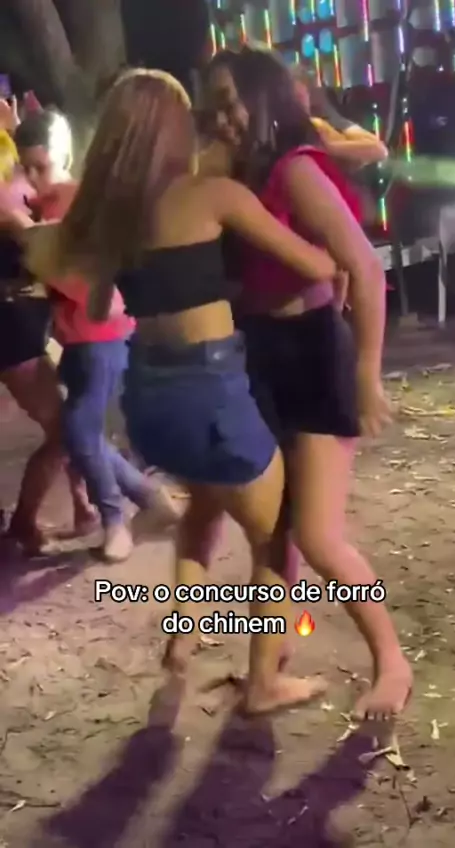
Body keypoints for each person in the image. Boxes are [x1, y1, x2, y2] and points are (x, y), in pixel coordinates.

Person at [29, 69, 343, 714]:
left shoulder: (112, 222)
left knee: (204, 508)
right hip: (212, 391)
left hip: (148, 399)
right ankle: (264, 683)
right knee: (275, 537)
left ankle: (183, 637)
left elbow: (79, 285)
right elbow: (318, 264)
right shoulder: (214, 196)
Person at [203, 45, 412, 721]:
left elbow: (364, 268)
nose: (222, 118)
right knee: (272, 531)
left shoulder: (295, 169)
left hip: (313, 356)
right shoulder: (243, 175)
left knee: (317, 536)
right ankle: (267, 669)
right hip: (261, 354)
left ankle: (392, 661)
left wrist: (367, 374)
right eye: (213, 108)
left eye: (230, 103)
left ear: (262, 98)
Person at [9, 109, 179, 563]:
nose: (33, 176)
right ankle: (149, 500)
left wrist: (28, 239)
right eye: (26, 167)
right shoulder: (47, 202)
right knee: (79, 432)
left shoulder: (75, 203)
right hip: (80, 339)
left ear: (63, 156)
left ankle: (115, 520)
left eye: (41, 166)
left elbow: (84, 276)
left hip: (102, 334)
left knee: (79, 429)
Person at [0, 116, 95, 554]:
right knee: (65, 429)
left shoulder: (19, 187)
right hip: (12, 331)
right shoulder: (10, 203)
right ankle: (24, 522)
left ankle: (83, 505)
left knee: (68, 418)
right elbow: (42, 245)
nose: (33, 173)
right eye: (28, 165)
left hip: (22, 327)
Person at [291, 66, 388, 169]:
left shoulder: (323, 118)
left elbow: (379, 150)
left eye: (300, 96)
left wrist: (328, 148)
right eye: (293, 97)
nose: (298, 103)